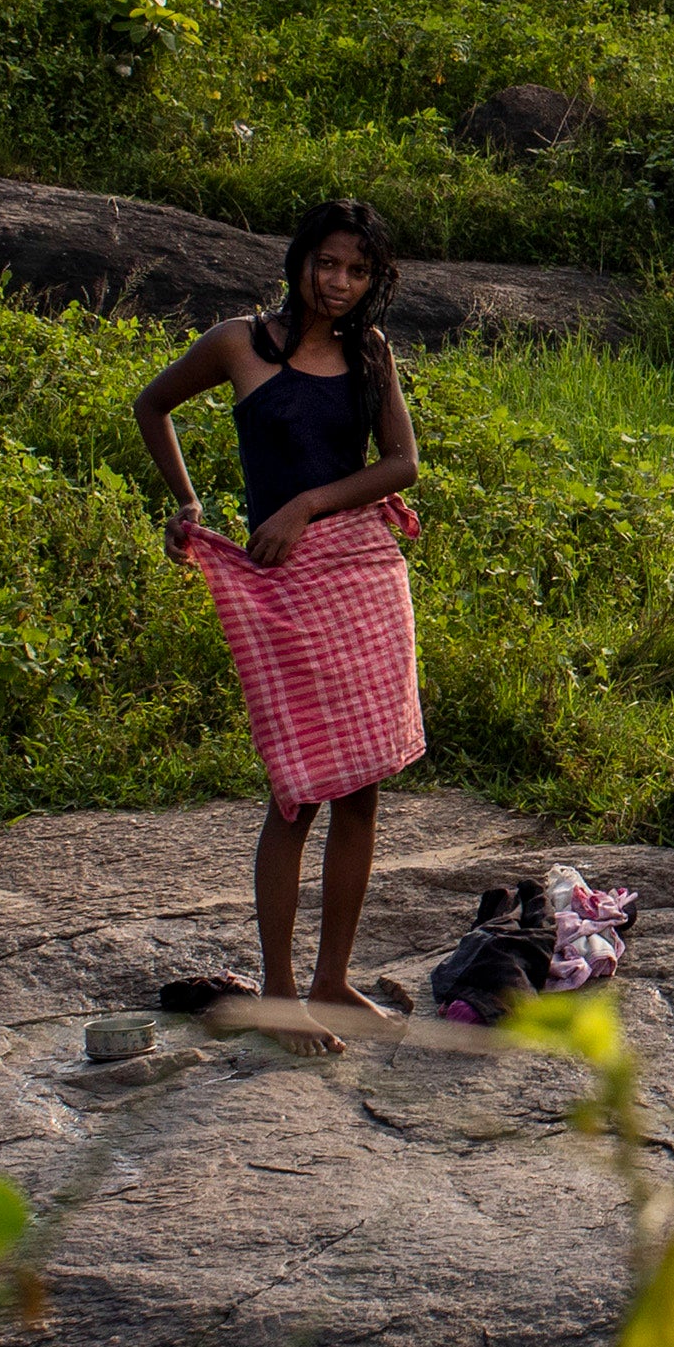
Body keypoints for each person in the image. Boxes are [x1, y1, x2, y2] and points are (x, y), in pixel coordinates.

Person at [131, 199, 428, 1017]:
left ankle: (333, 981)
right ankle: (280, 992)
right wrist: (186, 502)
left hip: (361, 578)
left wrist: (308, 506)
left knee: (362, 788)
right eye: (327, 264)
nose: (338, 283)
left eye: (357, 271)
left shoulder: (370, 351)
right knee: (296, 789)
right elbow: (151, 405)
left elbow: (402, 463)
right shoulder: (240, 343)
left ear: (374, 281)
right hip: (282, 590)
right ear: (298, 261)